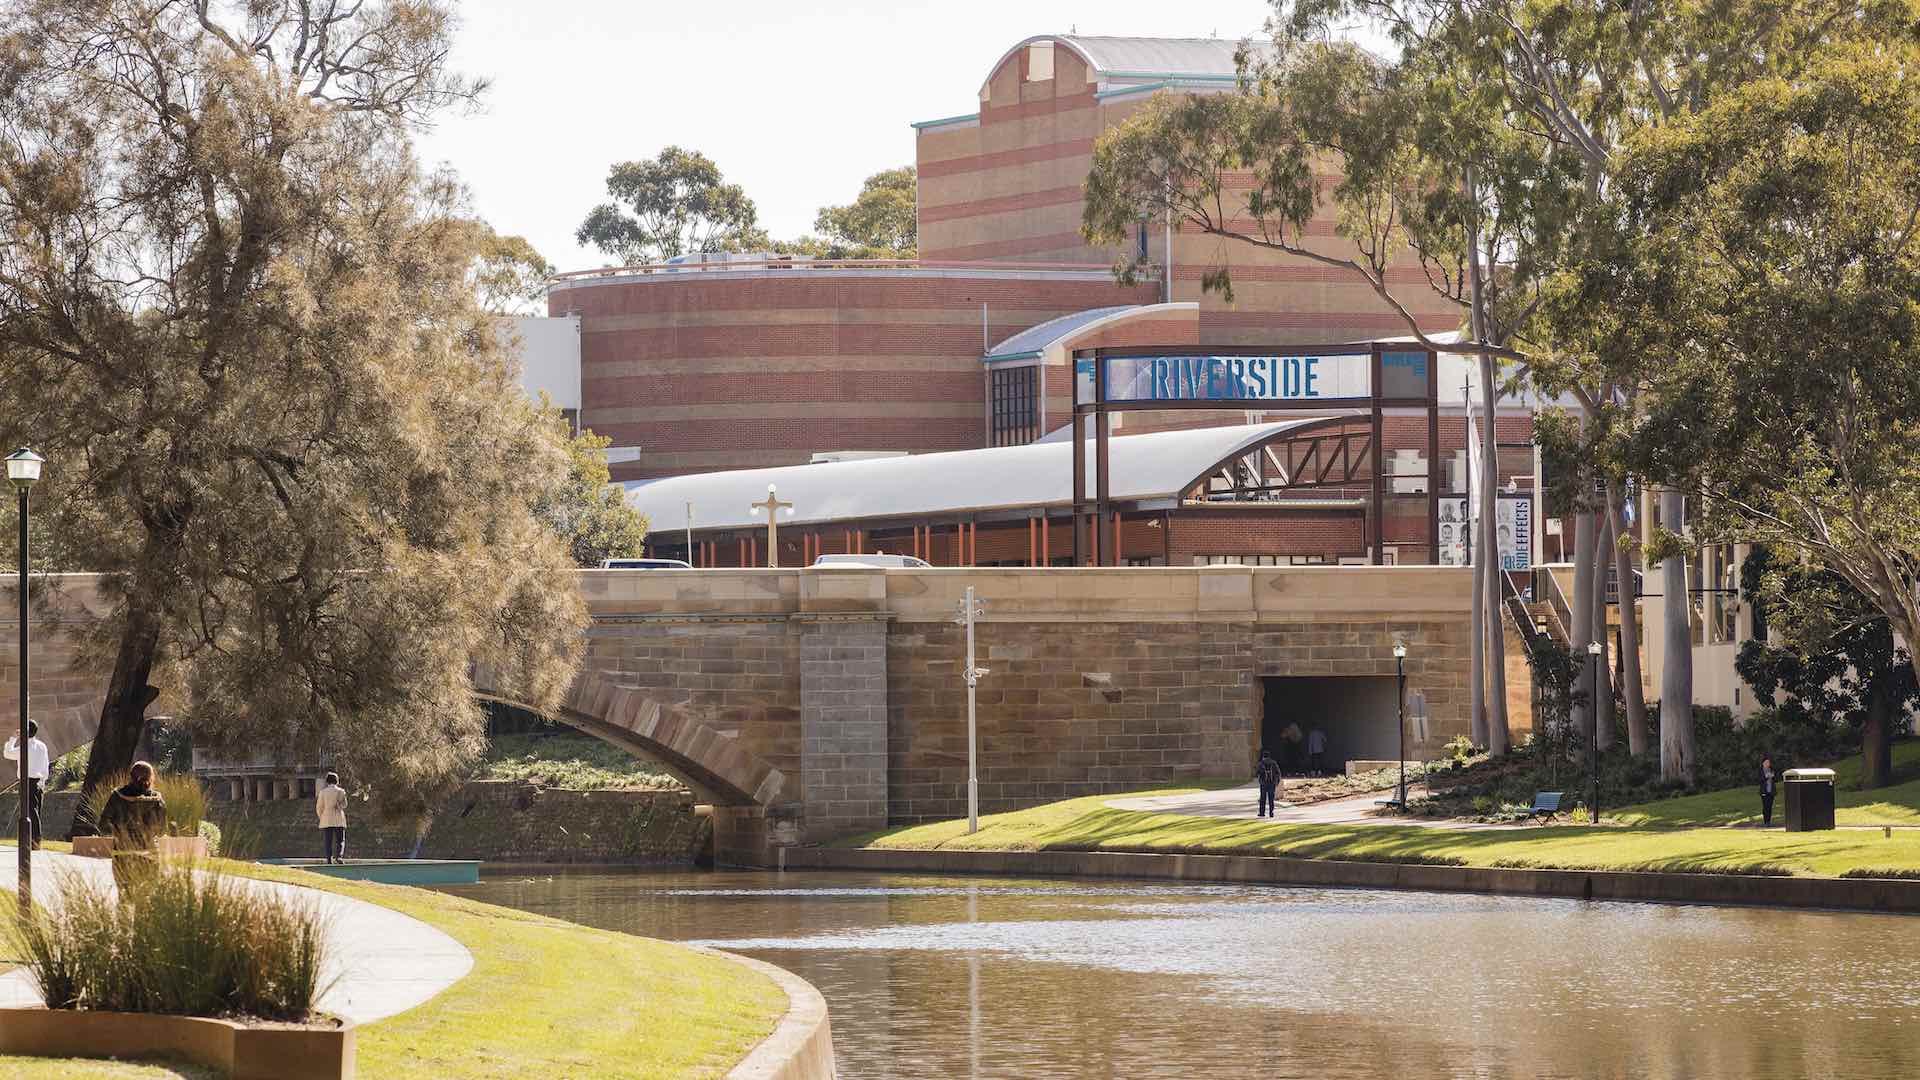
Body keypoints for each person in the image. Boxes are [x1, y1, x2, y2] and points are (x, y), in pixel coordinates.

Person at [97, 761, 167, 894]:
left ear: (131, 776)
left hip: (122, 853)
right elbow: (162, 829)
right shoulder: (157, 800)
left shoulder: (117, 797)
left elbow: (103, 826)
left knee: (124, 896)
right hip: (149, 853)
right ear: (151, 777)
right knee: (145, 898)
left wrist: (119, 832)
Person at [4, 719, 49, 849]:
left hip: (27, 782)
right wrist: (43, 781)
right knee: (36, 812)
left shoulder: (23, 747)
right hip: (39, 782)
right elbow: (45, 765)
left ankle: (35, 842)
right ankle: (34, 841)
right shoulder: (42, 746)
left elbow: (7, 753)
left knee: (30, 812)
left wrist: (13, 738)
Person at [316, 771, 347, 864]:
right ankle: (339, 857)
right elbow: (345, 804)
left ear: (327, 781)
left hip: (326, 818)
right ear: (336, 781)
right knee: (340, 840)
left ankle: (329, 859)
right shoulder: (341, 791)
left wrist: (321, 817)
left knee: (328, 841)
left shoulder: (323, 792)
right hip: (338, 818)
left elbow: (319, 807)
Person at [1254, 749, 1282, 818]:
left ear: (1263, 756)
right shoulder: (1274, 763)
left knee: (1263, 799)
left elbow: (1256, 773)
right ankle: (1271, 813)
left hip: (1263, 783)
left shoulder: (1261, 763)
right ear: (1269, 756)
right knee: (1271, 799)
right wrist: (1277, 782)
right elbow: (1278, 773)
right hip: (1272, 783)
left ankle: (1262, 813)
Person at [1760, 756, 1778, 826]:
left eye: (1769, 762)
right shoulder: (1761, 770)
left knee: (1770, 807)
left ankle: (1769, 822)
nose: (1768, 763)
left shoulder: (1771, 769)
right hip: (1764, 791)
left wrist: (1773, 776)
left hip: (1771, 791)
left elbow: (1776, 779)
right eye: (1766, 762)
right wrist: (1766, 777)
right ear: (1763, 763)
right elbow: (1760, 780)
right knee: (1765, 807)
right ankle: (1765, 821)